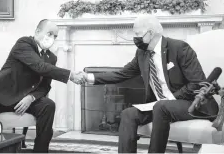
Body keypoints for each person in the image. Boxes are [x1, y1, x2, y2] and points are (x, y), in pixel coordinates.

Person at [82, 14, 219, 153]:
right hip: (160, 106)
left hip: (192, 103)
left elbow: (197, 83)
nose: (134, 38)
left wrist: (169, 100)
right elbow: (122, 73)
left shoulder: (180, 48)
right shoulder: (142, 53)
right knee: (128, 114)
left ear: (151, 33)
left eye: (137, 34)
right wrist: (89, 77)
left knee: (161, 106)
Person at [0, 19, 85, 153]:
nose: (52, 38)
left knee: (48, 105)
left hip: (24, 97)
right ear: (37, 31)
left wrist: (31, 98)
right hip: (0, 92)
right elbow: (39, 67)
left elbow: (45, 86)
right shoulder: (24, 43)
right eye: (49, 33)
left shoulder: (51, 58)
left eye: (55, 36)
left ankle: (40, 150)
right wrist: (71, 75)